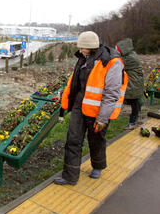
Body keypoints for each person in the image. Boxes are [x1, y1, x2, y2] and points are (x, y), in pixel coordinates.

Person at [54, 31, 128, 185]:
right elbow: (75, 82)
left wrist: (103, 118)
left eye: (82, 48)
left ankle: (98, 165)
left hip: (98, 111)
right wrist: (65, 96)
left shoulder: (112, 62)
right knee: (73, 140)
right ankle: (70, 176)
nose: (79, 50)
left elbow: (112, 93)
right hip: (79, 107)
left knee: (96, 140)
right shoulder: (83, 58)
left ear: (91, 47)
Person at [115, 38, 145, 130]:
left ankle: (132, 123)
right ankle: (137, 118)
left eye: (117, 50)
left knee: (133, 101)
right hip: (135, 82)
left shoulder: (130, 58)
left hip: (134, 83)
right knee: (135, 102)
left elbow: (117, 64)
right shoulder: (131, 55)